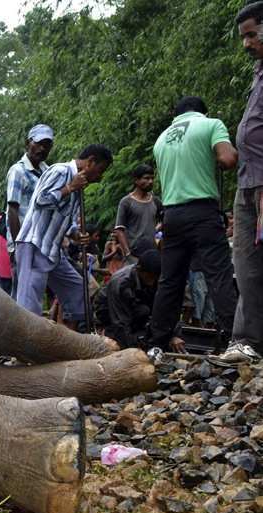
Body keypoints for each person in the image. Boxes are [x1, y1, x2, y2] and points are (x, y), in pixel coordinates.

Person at [148, 96, 239, 353]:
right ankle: (236, 340)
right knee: (219, 276)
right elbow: (228, 159)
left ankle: (157, 344)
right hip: (202, 212)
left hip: (171, 216)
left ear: (176, 115)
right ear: (202, 112)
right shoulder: (211, 125)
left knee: (170, 281)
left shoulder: (161, 139)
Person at [14, 144, 113, 328]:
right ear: (90, 162)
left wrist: (75, 234)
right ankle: (24, 350)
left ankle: (67, 340)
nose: (100, 177)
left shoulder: (79, 184)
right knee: (29, 302)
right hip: (34, 244)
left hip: (53, 249)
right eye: (100, 170)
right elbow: (40, 200)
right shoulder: (61, 171)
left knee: (78, 291)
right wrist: (69, 187)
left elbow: (67, 219)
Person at [214, 1, 263, 364]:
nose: (246, 44)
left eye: (251, 35)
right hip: (248, 182)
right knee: (245, 262)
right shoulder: (259, 73)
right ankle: (247, 340)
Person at [6, 124, 55, 297]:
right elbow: (12, 211)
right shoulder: (18, 171)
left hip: (42, 242)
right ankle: (16, 324)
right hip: (24, 242)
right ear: (28, 143)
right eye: (39, 143)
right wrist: (19, 247)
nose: (42, 148)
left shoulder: (48, 172)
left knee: (35, 291)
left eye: (47, 145)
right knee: (24, 292)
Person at [94, 249, 163, 349]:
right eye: (149, 277)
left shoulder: (156, 277)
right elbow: (120, 322)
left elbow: (164, 306)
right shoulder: (121, 282)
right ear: (139, 269)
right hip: (109, 309)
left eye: (155, 278)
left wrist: (174, 335)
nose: (152, 282)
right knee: (121, 337)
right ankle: (109, 332)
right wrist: (130, 350)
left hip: (134, 305)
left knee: (144, 311)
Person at [113, 164, 163, 262]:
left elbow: (164, 220)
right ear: (136, 180)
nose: (150, 181)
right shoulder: (126, 202)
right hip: (134, 254)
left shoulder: (155, 201)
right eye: (146, 178)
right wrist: (128, 254)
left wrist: (155, 230)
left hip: (152, 253)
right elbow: (119, 230)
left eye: (152, 178)